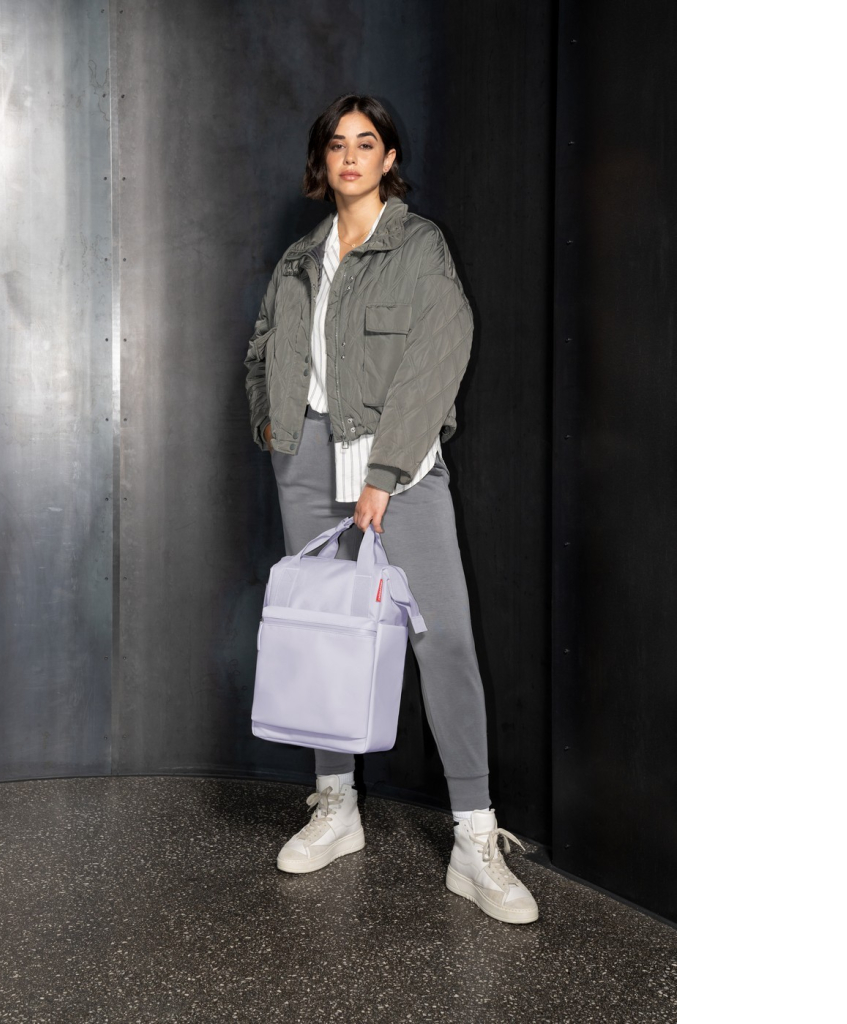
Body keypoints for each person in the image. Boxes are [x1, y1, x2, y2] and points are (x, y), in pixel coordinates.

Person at [243, 94, 538, 925]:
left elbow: (438, 356)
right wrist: (272, 428)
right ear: (323, 160)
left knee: (443, 640)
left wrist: (385, 470)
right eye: (337, 144)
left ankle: (474, 836)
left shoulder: (419, 246)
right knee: (323, 636)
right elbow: (264, 347)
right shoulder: (299, 259)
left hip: (394, 467)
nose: (350, 157)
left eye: (365, 143)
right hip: (306, 462)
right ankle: (336, 804)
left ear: (388, 157)